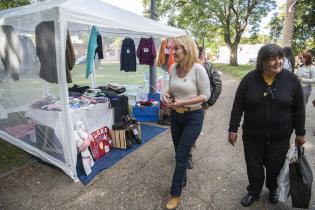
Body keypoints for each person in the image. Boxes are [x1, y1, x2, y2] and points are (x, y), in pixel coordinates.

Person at [228, 43, 306, 207]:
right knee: (254, 165)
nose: (278, 62)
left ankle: (272, 188)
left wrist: (300, 133)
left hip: (281, 135)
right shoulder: (249, 79)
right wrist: (232, 129)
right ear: (262, 61)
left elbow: (299, 108)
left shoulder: (291, 80)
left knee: (275, 165)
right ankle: (254, 191)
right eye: (273, 59)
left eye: (280, 57)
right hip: (253, 135)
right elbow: (238, 106)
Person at [162, 35, 210, 210]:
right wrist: (166, 95)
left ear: (187, 49)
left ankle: (175, 194)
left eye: (176, 49)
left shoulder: (198, 69)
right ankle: (182, 178)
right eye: (172, 49)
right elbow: (171, 89)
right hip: (176, 115)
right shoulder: (174, 68)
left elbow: (206, 95)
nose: (172, 52)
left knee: (181, 155)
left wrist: (184, 102)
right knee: (179, 151)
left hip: (193, 117)